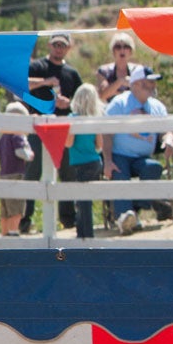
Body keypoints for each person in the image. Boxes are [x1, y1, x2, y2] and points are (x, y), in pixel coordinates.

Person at [105, 65, 173, 234]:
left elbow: (166, 129)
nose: (152, 87)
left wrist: (169, 139)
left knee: (153, 168)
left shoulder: (157, 106)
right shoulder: (120, 103)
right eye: (147, 83)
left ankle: (133, 210)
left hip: (143, 156)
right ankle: (124, 218)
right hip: (120, 154)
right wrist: (107, 160)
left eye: (153, 83)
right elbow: (106, 133)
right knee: (119, 173)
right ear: (135, 84)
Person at [26, 31, 83, 231]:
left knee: (68, 173)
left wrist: (69, 103)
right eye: (56, 44)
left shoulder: (72, 73)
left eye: (62, 45)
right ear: (49, 46)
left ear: (68, 48)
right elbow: (21, 86)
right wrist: (45, 82)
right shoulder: (37, 67)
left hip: (63, 128)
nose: (59, 48)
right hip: (37, 126)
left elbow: (81, 101)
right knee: (32, 173)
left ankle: (68, 220)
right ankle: (25, 220)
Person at [63, 84, 106, 239]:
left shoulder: (72, 119)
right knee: (85, 200)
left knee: (82, 202)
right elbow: (99, 145)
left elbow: (68, 143)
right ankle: (83, 233)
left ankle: (86, 235)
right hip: (95, 162)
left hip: (79, 163)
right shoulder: (95, 119)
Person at [0, 101, 35, 236]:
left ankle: (4, 233)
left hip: (4, 173)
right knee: (16, 208)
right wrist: (30, 155)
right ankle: (13, 233)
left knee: (5, 208)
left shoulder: (2, 137)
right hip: (16, 173)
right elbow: (20, 152)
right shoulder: (17, 135)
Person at [95, 34, 138, 102]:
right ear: (113, 51)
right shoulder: (103, 71)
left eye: (126, 46)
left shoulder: (137, 70)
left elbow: (144, 93)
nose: (122, 50)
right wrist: (120, 82)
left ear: (131, 51)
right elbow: (102, 95)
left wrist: (115, 92)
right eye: (118, 47)